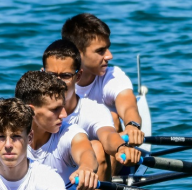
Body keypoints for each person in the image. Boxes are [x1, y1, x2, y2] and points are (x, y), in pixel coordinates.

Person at [0, 70, 100, 190]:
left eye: (63, 107)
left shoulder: (69, 131)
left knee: (97, 147)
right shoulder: (5, 135)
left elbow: (85, 151)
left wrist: (86, 168)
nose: (64, 115)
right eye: (55, 109)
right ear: (31, 110)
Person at [40, 38, 141, 190]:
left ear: (77, 76)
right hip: (43, 189)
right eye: (51, 76)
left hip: (80, 185)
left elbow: (108, 135)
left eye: (65, 76)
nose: (56, 82)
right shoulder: (29, 109)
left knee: (97, 148)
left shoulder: (94, 110)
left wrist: (121, 149)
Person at [61, 13, 145, 148]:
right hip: (71, 150)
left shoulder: (112, 76)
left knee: (112, 118)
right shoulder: (55, 81)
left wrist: (132, 125)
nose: (109, 56)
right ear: (77, 53)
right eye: (101, 51)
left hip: (109, 151)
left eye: (108, 48)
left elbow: (128, 105)